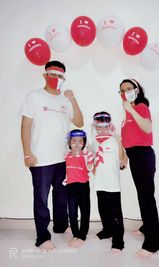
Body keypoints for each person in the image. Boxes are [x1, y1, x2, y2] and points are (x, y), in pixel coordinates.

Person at [21, 60, 83, 251]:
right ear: (45, 75)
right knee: (41, 198)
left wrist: (72, 99)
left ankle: (61, 226)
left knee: (61, 196)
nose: (56, 79)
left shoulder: (64, 100)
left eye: (60, 76)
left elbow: (79, 122)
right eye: (53, 74)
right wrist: (27, 154)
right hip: (40, 159)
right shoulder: (34, 97)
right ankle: (42, 237)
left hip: (63, 159)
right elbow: (26, 126)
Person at [119, 78, 159, 258]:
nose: (125, 92)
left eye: (129, 88)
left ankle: (152, 245)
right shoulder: (128, 112)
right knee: (142, 195)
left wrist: (131, 110)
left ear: (137, 89)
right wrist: (125, 158)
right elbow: (128, 139)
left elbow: (147, 128)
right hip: (134, 156)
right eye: (122, 90)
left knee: (147, 198)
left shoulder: (141, 107)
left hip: (143, 156)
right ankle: (146, 227)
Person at [91, 111, 125, 255]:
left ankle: (118, 241)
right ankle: (107, 231)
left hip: (112, 185)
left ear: (110, 126)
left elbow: (123, 163)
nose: (102, 130)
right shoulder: (93, 143)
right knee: (103, 209)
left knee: (115, 213)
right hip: (99, 183)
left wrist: (120, 144)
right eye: (99, 127)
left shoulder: (115, 141)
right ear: (95, 126)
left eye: (105, 127)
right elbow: (92, 162)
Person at [62, 129, 93, 248]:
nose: (77, 144)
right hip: (71, 186)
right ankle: (75, 234)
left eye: (80, 141)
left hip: (83, 186)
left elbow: (90, 168)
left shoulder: (85, 155)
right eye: (74, 141)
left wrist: (89, 154)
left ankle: (82, 235)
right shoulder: (66, 155)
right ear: (69, 143)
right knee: (72, 211)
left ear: (84, 143)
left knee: (85, 211)